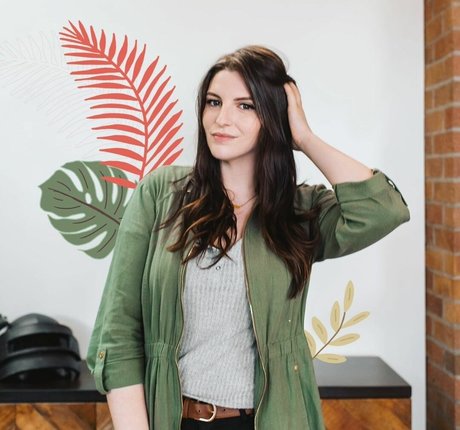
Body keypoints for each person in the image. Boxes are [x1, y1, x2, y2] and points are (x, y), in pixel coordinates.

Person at [87, 45, 410, 430]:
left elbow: (384, 210)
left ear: (272, 118)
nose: (222, 119)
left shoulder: (298, 211)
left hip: (270, 420)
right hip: (173, 419)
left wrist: (304, 137)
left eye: (245, 106)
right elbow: (118, 331)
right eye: (214, 102)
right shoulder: (161, 194)